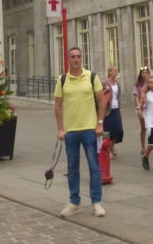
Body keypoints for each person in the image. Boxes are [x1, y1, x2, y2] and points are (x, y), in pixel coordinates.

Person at [54, 46, 106, 218]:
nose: (76, 59)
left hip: (89, 129)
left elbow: (102, 100)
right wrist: (60, 128)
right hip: (71, 131)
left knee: (94, 167)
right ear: (68, 59)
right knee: (72, 168)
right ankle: (74, 201)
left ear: (81, 58)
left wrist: (99, 124)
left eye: (78, 56)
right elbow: (57, 105)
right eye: (72, 57)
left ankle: (96, 202)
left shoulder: (91, 77)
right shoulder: (62, 80)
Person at [102, 65, 123, 159]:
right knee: (108, 131)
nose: (116, 71)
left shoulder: (117, 84)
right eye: (114, 70)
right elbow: (98, 95)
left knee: (119, 130)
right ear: (109, 72)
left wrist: (120, 108)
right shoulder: (104, 82)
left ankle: (111, 146)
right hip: (107, 110)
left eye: (116, 70)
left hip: (116, 109)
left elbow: (118, 97)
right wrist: (105, 90)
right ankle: (107, 149)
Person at [133, 67, 150, 157]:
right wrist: (138, 107)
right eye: (143, 73)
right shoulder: (138, 85)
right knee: (143, 128)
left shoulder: (150, 83)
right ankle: (143, 147)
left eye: (146, 72)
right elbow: (137, 97)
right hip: (142, 108)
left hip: (150, 108)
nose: (144, 74)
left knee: (152, 127)